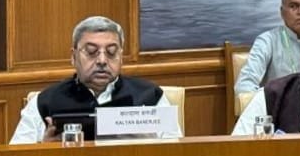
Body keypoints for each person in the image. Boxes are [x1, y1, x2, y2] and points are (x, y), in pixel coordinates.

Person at [10, 16, 180, 144]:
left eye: (111, 52)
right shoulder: (44, 102)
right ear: (73, 57)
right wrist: (44, 150)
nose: (102, 60)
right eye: (91, 52)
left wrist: (151, 144)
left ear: (121, 57)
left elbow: (177, 153)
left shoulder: (150, 97)